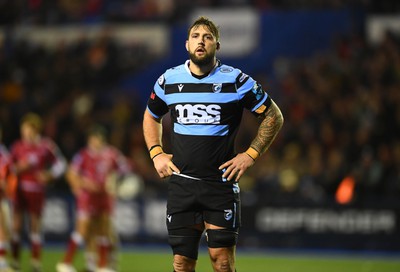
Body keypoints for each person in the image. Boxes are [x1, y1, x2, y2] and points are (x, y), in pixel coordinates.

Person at [142, 16, 284, 272]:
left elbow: (273, 116)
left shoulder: (236, 80)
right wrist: (156, 153)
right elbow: (151, 116)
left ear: (217, 46)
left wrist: (250, 155)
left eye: (208, 37)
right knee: (181, 263)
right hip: (182, 185)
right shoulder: (168, 80)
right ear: (186, 44)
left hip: (220, 187)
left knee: (222, 261)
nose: (201, 41)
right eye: (196, 36)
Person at [56, 125, 131, 272]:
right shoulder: (83, 155)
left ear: (102, 140)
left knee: (104, 231)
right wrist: (81, 184)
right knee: (83, 230)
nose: (93, 142)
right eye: (91, 139)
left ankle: (101, 266)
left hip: (104, 197)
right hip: (87, 197)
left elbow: (125, 170)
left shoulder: (112, 154)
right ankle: (66, 263)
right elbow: (71, 173)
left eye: (96, 139)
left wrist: (115, 183)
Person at [9, 113, 67, 272]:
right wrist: (18, 168)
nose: (25, 132)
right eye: (23, 129)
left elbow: (61, 164)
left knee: (35, 226)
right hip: (19, 190)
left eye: (27, 129)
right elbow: (7, 168)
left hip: (37, 191)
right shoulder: (17, 146)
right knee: (16, 226)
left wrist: (48, 175)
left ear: (35, 129)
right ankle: (15, 262)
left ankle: (35, 263)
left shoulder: (46, 145)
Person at [0, 125, 17, 272]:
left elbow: (11, 176)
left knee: (4, 228)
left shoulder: (4, 154)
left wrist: (8, 188)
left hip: (2, 197)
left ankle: (2, 263)